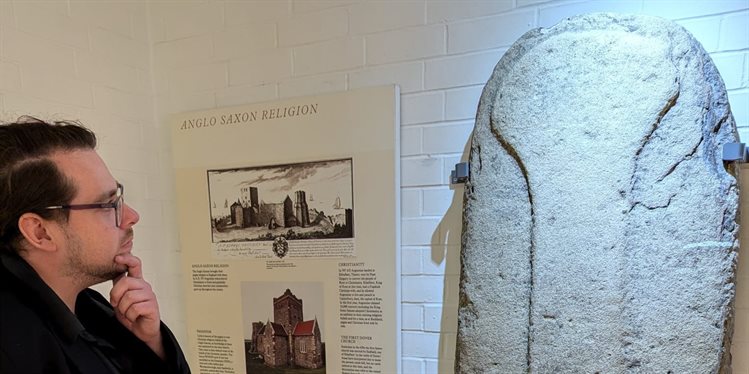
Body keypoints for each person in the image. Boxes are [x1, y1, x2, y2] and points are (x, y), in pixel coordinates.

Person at [0, 117, 191, 373]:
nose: (132, 216)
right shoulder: (15, 351)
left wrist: (149, 342)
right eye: (108, 205)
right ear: (40, 232)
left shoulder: (91, 305)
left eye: (119, 197)